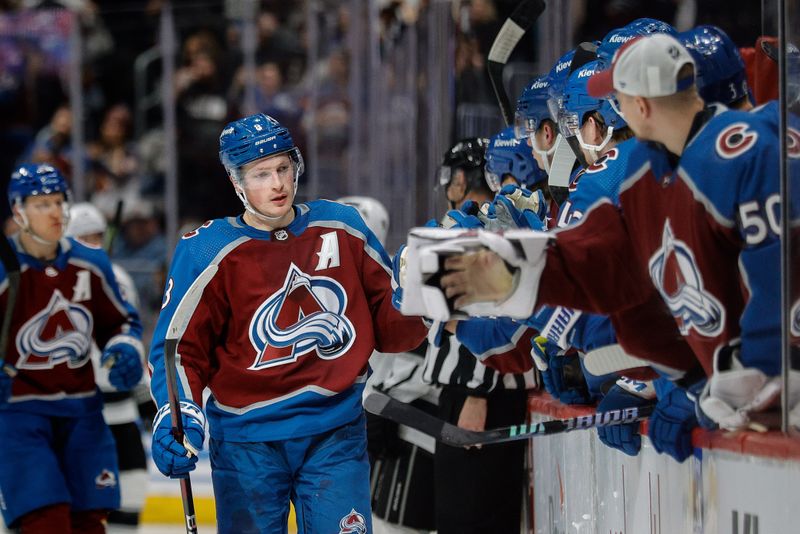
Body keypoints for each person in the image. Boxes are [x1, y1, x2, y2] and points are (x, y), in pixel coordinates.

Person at [433, 33, 788, 431]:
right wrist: (480, 269)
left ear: (639, 105)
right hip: (753, 397)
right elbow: (603, 267)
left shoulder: (737, 152)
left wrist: (749, 371)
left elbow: (773, 277)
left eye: (616, 100)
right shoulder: (652, 171)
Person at [148, 113, 428, 533]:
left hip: (335, 432)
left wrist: (417, 297)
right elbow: (178, 350)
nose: (277, 184)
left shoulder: (342, 227)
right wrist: (179, 413)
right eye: (261, 174)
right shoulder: (207, 250)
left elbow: (393, 331)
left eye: (283, 168)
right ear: (236, 183)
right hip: (247, 442)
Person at [0, 164, 144, 533]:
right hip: (19, 416)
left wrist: (125, 348)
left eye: (59, 201)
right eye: (42, 203)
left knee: (89, 524)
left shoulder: (90, 261)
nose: (55, 212)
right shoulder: (3, 268)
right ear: (19, 211)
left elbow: (122, 322)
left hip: (84, 412)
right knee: (44, 522)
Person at [66, 202, 150, 529]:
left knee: (129, 502)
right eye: (84, 236)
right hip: (79, 410)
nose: (94, 242)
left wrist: (144, 396)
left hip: (120, 410)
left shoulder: (116, 277)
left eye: (98, 235)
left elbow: (129, 336)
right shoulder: (70, 277)